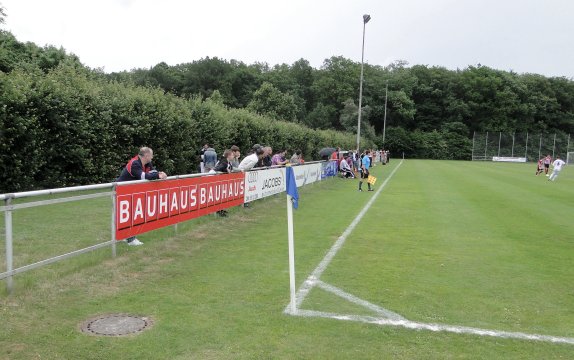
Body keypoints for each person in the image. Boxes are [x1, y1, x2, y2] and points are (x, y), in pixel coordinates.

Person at [116, 147, 167, 246]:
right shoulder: (134, 163)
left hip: (131, 191)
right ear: (147, 155)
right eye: (151, 155)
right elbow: (143, 176)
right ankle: (130, 239)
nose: (152, 157)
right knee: (130, 214)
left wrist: (160, 174)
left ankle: (126, 236)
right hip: (122, 191)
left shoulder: (147, 163)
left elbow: (153, 173)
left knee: (132, 213)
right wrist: (158, 176)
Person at [214, 149, 235, 216]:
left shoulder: (227, 162)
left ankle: (221, 209)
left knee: (222, 195)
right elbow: (216, 169)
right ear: (228, 156)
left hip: (222, 181)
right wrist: (226, 170)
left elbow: (230, 168)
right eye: (232, 155)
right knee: (219, 196)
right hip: (218, 180)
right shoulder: (224, 162)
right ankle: (219, 211)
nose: (233, 156)